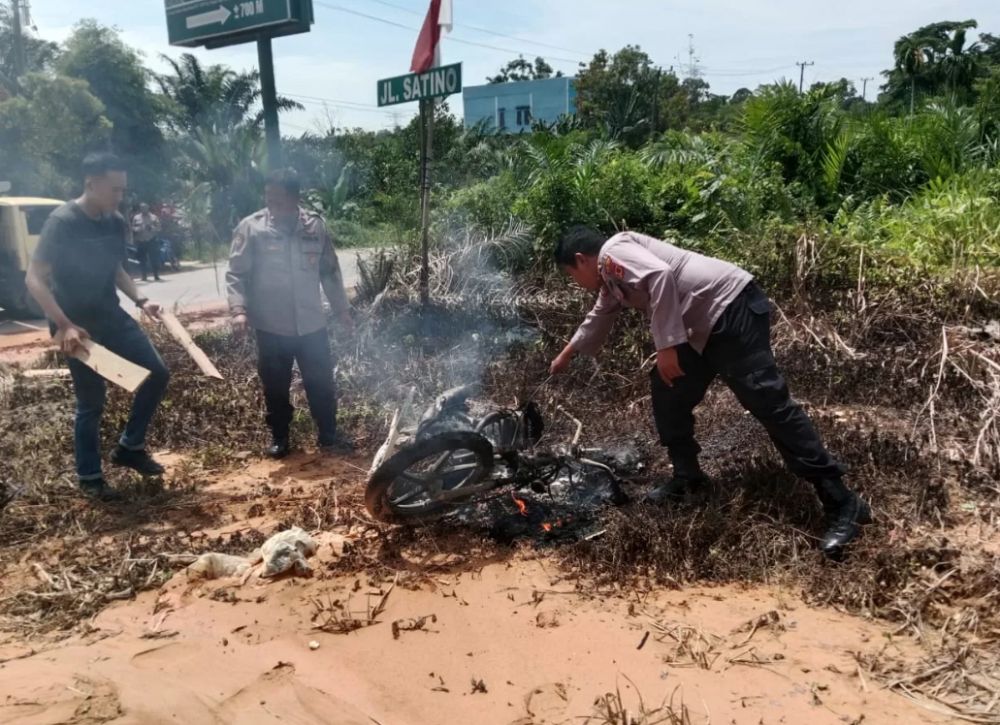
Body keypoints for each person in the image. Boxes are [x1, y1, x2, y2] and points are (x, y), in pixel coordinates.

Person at [549, 226, 871, 558]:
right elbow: (598, 316)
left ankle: (843, 502)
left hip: (730, 309)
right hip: (702, 327)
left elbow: (660, 276)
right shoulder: (612, 279)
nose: (576, 283)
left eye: (572, 275)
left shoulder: (612, 253)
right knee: (667, 388)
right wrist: (565, 355)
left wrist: (666, 346)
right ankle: (688, 478)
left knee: (766, 401)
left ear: (581, 260)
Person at [26, 152, 171, 500]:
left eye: (123, 190)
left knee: (157, 373)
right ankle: (90, 477)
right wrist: (64, 324)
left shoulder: (115, 220)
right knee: (92, 402)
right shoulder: (62, 222)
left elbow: (117, 269)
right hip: (76, 327)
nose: (119, 197)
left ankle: (130, 447)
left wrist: (140, 300)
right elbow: (34, 278)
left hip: (110, 315)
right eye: (114, 189)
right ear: (91, 183)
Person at [227, 169, 354, 459]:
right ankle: (280, 437)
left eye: (279, 200)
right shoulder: (251, 228)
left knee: (321, 381)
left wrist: (342, 310)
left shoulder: (315, 227)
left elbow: (330, 272)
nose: (273, 206)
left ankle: (328, 435)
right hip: (272, 326)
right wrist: (238, 311)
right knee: (275, 385)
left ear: (295, 198)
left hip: (312, 323)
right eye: (269, 199)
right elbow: (236, 274)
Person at [131, 202, 161, 281]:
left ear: (148, 208)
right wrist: (138, 229)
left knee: (154, 258)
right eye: (142, 208)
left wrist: (152, 228)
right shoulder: (136, 217)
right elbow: (133, 228)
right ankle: (144, 276)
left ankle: (156, 275)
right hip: (141, 241)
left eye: (145, 208)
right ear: (140, 209)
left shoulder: (153, 217)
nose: (144, 209)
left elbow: (159, 228)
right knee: (142, 259)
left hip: (151, 240)